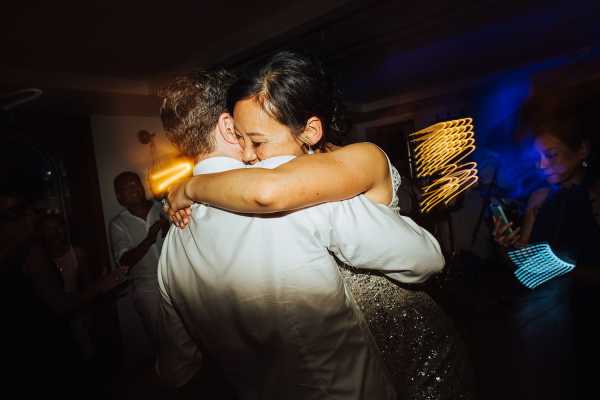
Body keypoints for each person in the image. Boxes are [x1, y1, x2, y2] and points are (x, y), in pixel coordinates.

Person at [163, 51, 472, 399]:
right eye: (241, 137)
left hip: (411, 342)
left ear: (309, 131)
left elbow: (269, 190)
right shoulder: (273, 186)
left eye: (258, 141)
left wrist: (191, 186)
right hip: (364, 364)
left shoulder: (349, 163)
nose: (249, 155)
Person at [492, 108, 599, 399]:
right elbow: (522, 265)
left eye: (551, 155)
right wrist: (506, 244)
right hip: (544, 319)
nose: (541, 165)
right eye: (538, 157)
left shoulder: (595, 196)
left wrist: (563, 269)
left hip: (587, 317)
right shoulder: (540, 198)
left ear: (582, 150)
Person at [109, 171, 169, 361]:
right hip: (146, 288)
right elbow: (124, 260)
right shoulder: (118, 224)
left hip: (175, 278)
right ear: (119, 197)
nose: (133, 189)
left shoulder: (162, 207)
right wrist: (150, 239)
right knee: (160, 338)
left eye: (135, 184)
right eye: (126, 188)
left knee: (186, 330)